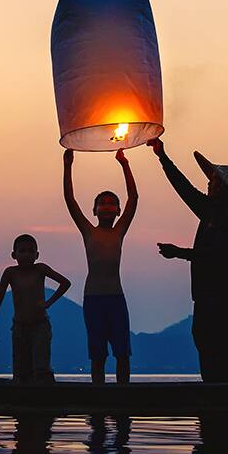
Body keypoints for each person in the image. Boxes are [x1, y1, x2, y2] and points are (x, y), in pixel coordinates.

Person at [147, 137, 228, 383]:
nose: (209, 183)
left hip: (221, 289)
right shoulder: (211, 209)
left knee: (220, 340)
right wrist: (162, 157)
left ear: (226, 188)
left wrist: (179, 252)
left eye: (214, 180)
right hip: (206, 290)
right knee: (204, 335)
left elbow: (216, 256)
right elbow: (184, 188)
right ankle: (214, 388)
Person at [63, 147, 138, 384]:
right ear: (94, 211)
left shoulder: (119, 231)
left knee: (122, 353)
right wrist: (68, 165)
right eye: (102, 204)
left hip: (116, 297)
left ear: (117, 211)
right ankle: (98, 397)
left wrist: (124, 164)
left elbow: (133, 199)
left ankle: (122, 397)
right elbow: (70, 200)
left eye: (111, 204)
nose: (107, 207)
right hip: (93, 298)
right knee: (97, 354)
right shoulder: (89, 231)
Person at [0, 234, 71, 384]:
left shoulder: (40, 269)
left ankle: (47, 400)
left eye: (30, 251)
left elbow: (65, 283)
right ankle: (21, 402)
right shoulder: (10, 273)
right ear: (14, 254)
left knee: (41, 368)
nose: (26, 255)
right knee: (20, 371)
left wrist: (48, 303)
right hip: (19, 327)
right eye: (22, 251)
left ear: (37, 255)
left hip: (40, 326)